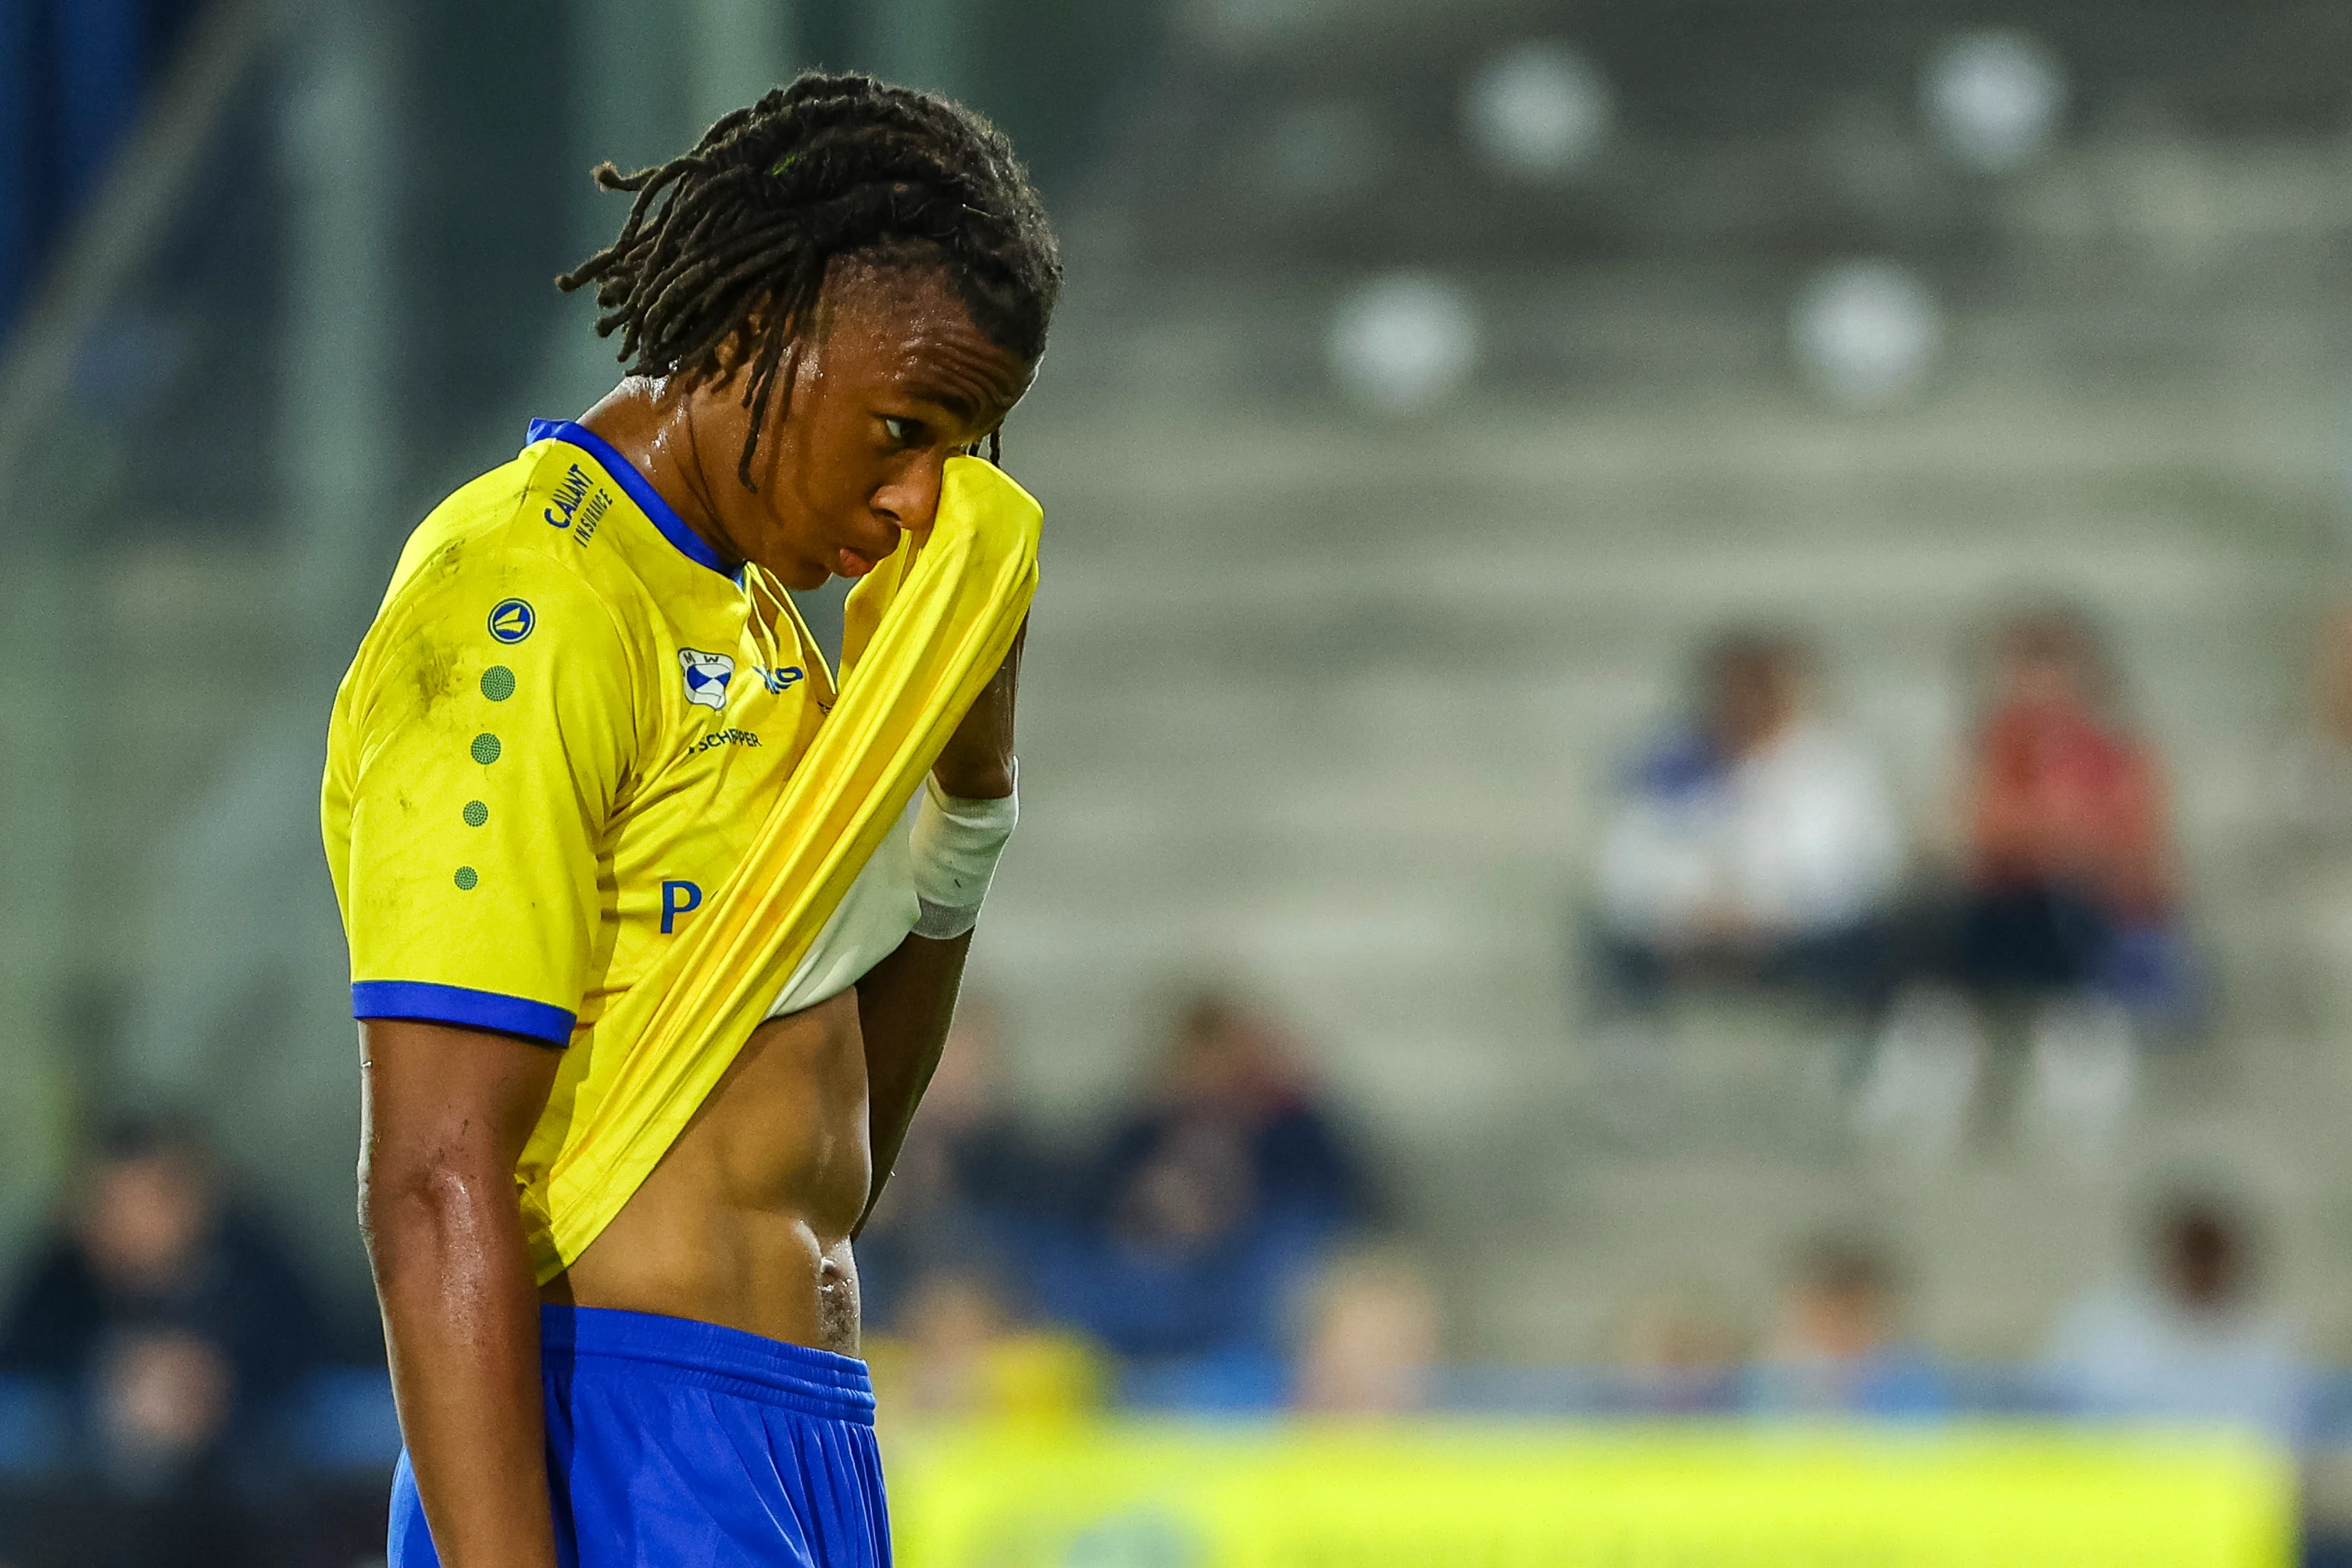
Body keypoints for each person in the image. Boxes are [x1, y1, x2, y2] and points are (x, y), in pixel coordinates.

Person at [321, 74, 1060, 1567]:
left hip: (805, 1434)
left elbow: (845, 1148)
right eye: (904, 425)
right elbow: (432, 1172)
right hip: (618, 1437)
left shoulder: (774, 628)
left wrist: (965, 797)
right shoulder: (523, 605)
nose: (925, 497)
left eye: (969, 448)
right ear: (753, 327)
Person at [1592, 630, 1903, 1026]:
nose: (1748, 703)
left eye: (1763, 687)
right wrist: (1687, 910)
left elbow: (1867, 869)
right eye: (1736, 689)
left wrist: (1770, 911)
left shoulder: (1838, 767)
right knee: (1610, 945)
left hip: (1801, 934)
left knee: (1878, 945)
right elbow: (1626, 866)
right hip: (1689, 935)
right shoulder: (1670, 766)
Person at [2043, 1191, 2303, 1439]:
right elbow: (2051, 1422)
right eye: (2193, 1257)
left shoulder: (2275, 1343)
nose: (2201, 1270)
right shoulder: (2098, 1330)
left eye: (2210, 1259)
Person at [1746, 1235, 1950, 1419]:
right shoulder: (1774, 1378)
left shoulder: (1908, 1375)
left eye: (1853, 1313)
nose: (1838, 1327)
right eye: (1827, 1313)